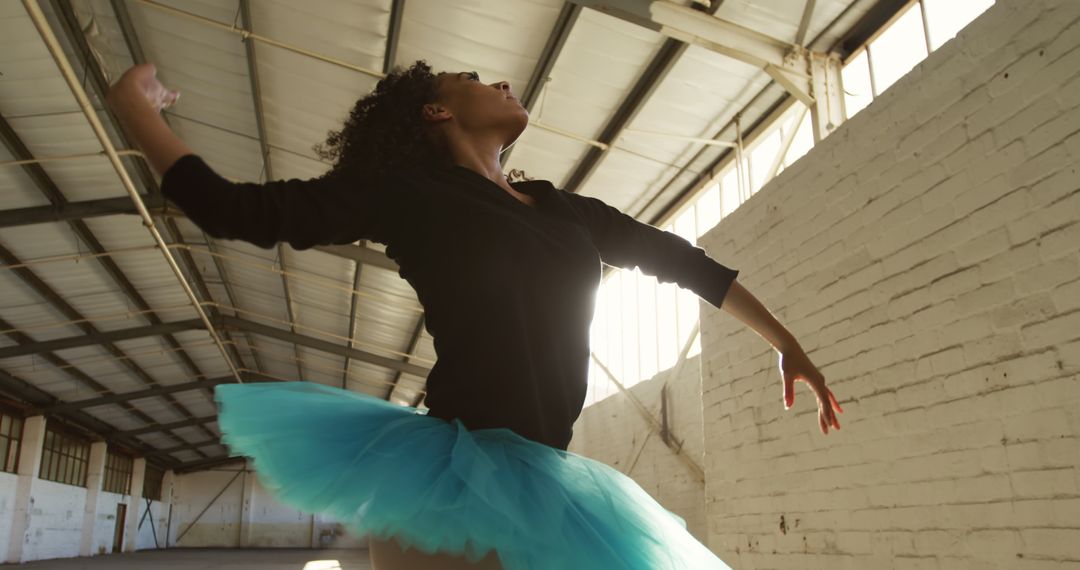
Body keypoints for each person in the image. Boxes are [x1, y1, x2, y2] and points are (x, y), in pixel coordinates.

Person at [107, 60, 842, 570]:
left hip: (545, 468)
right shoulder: (405, 192)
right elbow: (239, 210)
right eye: (475, 80)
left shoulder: (566, 211)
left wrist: (786, 342)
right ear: (438, 110)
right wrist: (135, 108)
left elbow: (684, 262)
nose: (502, 82)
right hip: (451, 473)